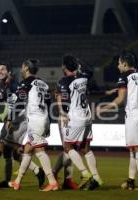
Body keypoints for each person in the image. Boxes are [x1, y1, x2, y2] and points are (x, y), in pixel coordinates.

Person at [0, 58, 45, 188]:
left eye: (3, 69)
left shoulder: (14, 85)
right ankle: (36, 171)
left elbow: (16, 103)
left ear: (9, 72)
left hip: (19, 119)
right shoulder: (5, 85)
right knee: (12, 153)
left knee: (2, 145)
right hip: (15, 119)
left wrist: (7, 116)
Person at [97, 51, 138, 191]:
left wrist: (103, 109)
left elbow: (120, 100)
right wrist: (114, 90)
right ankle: (130, 182)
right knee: (134, 149)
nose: (118, 65)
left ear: (125, 64)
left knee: (137, 150)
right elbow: (133, 87)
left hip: (133, 116)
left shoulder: (123, 77)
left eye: (119, 63)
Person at [7, 59, 58, 191]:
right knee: (27, 150)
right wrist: (49, 123)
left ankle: (52, 181)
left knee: (40, 151)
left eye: (23, 67)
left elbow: (18, 102)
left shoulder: (26, 83)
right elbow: (49, 104)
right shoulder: (44, 84)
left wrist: (10, 119)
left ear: (26, 68)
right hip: (43, 118)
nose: (21, 69)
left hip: (35, 120)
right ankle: (17, 181)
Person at [58, 54, 103, 190]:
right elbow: (90, 69)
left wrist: (64, 114)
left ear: (64, 67)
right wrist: (79, 61)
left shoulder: (64, 81)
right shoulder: (84, 77)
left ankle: (86, 174)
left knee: (67, 147)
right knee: (86, 149)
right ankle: (96, 177)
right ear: (76, 66)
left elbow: (65, 101)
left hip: (75, 117)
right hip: (87, 116)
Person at [52, 54, 80, 190]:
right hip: (68, 118)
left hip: (71, 117)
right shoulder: (76, 80)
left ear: (64, 66)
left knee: (70, 149)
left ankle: (64, 179)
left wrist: (62, 112)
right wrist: (63, 113)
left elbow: (58, 97)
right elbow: (60, 98)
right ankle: (57, 176)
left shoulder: (63, 81)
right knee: (69, 149)